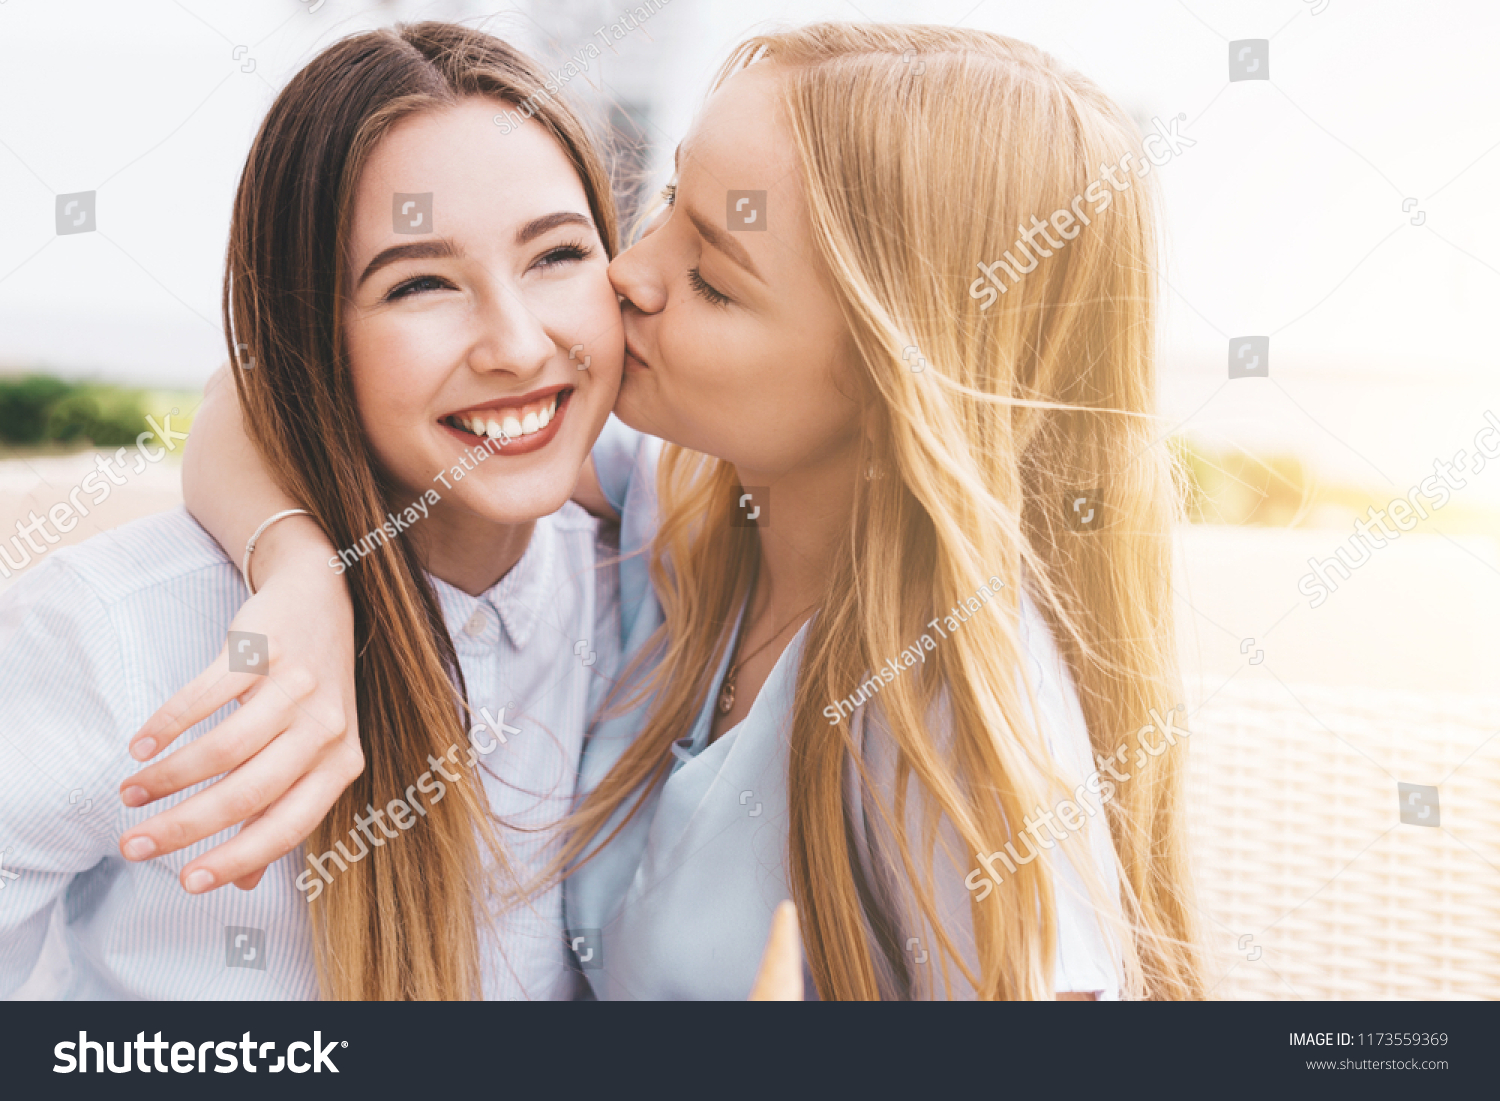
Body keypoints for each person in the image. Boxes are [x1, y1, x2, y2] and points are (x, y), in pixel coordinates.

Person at [129, 23, 1203, 1000]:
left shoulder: (957, 705)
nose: (627, 274)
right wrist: (305, 576)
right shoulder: (686, 504)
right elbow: (271, 392)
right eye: (666, 208)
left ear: (892, 384)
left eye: (716, 281)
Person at [0, 22, 629, 1000]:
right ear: (307, 332)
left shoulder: (652, 587)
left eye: (556, 256)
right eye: (419, 282)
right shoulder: (116, 632)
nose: (515, 343)